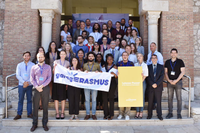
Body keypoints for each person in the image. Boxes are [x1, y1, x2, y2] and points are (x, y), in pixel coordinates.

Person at [30, 53, 52, 132]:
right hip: (36, 88)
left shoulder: (48, 67)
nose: (40, 58)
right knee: (35, 107)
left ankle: (45, 124)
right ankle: (34, 124)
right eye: (39, 57)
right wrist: (37, 86)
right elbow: (32, 78)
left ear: (44, 58)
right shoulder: (34, 67)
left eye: (42, 57)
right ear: (37, 58)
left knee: (45, 106)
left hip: (45, 88)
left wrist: (42, 86)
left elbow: (49, 78)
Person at [165, 48, 185, 119]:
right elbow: (166, 72)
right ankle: (170, 113)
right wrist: (169, 80)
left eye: (175, 53)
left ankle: (179, 113)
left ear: (177, 54)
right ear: (170, 54)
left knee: (179, 98)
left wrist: (176, 80)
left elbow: (183, 72)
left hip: (178, 82)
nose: (173, 54)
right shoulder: (167, 62)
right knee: (170, 98)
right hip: (170, 82)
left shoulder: (180, 61)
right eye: (172, 53)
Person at [14, 51, 35, 120]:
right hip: (21, 85)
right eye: (25, 56)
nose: (26, 57)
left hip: (29, 85)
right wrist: (23, 82)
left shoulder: (32, 65)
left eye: (28, 56)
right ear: (23, 56)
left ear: (30, 57)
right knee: (20, 100)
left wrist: (28, 82)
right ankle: (19, 114)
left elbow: (33, 75)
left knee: (29, 99)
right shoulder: (19, 65)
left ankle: (29, 113)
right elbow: (18, 75)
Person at [52, 50, 70, 119]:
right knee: (56, 98)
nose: (62, 55)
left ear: (66, 55)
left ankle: (62, 112)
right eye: (61, 54)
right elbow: (54, 72)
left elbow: (68, 73)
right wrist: (54, 67)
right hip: (56, 81)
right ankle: (57, 112)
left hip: (64, 82)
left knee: (63, 98)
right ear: (59, 55)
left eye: (64, 54)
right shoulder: (56, 62)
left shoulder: (67, 62)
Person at [117, 52, 134, 120]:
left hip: (128, 83)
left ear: (128, 56)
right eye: (123, 55)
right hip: (121, 83)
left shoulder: (131, 63)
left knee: (128, 98)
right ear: (122, 56)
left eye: (126, 55)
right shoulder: (119, 63)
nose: (124, 56)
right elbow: (115, 71)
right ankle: (121, 113)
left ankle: (127, 114)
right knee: (121, 98)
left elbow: (134, 72)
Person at [83, 52, 101, 120]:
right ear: (88, 57)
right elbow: (82, 75)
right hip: (86, 84)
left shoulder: (97, 65)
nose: (90, 57)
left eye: (92, 56)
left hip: (94, 85)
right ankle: (87, 114)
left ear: (94, 57)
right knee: (87, 99)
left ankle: (93, 114)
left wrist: (98, 72)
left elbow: (101, 74)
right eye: (89, 56)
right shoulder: (84, 65)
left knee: (94, 99)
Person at [147, 54, 164, 121]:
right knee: (150, 101)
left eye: (155, 58)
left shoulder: (161, 66)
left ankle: (159, 115)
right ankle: (149, 115)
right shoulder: (148, 67)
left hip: (158, 87)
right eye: (152, 58)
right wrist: (152, 84)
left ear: (157, 59)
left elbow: (162, 76)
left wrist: (156, 84)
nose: (154, 59)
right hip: (150, 87)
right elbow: (147, 77)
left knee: (158, 102)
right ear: (151, 59)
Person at [101, 54, 118, 120]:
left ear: (113, 60)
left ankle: (111, 114)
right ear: (106, 60)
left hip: (112, 83)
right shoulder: (103, 66)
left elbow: (117, 76)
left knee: (111, 99)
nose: (109, 60)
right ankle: (106, 114)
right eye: (108, 59)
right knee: (104, 99)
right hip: (104, 84)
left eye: (111, 59)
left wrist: (114, 74)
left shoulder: (115, 67)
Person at [134, 53, 148, 119]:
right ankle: (137, 111)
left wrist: (141, 80)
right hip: (136, 82)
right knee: (136, 96)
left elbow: (145, 75)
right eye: (138, 56)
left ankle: (141, 112)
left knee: (142, 96)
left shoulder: (145, 65)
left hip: (142, 82)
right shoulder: (135, 64)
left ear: (142, 57)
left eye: (140, 56)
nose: (139, 57)